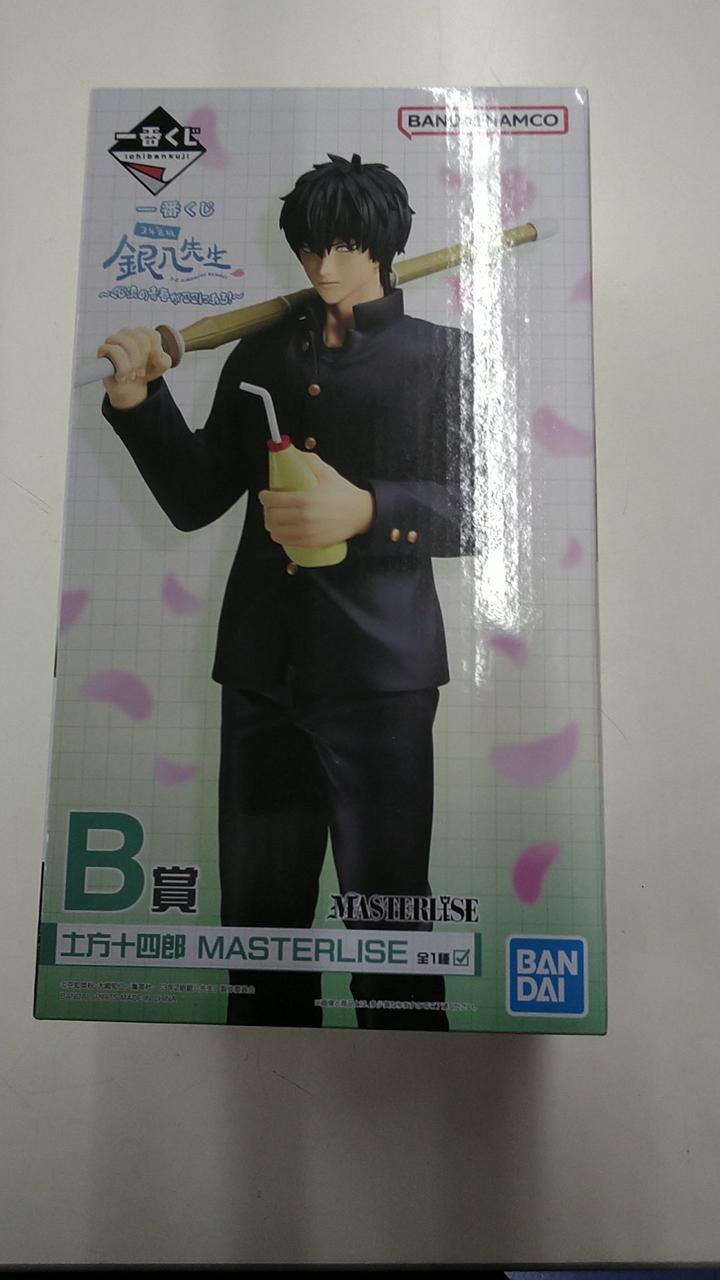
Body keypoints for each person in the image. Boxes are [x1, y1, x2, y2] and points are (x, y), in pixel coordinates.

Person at [100, 153, 477, 1031]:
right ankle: (262, 1073)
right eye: (310, 247)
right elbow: (197, 498)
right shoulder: (261, 352)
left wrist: (369, 509)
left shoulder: (443, 358)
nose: (322, 265)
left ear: (383, 244)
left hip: (382, 682)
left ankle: (413, 1079)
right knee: (257, 928)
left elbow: (483, 509)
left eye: (342, 245)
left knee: (391, 922)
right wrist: (139, 403)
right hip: (261, 677)